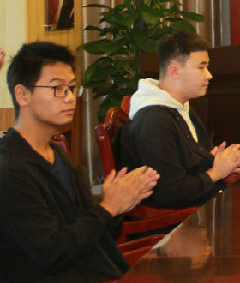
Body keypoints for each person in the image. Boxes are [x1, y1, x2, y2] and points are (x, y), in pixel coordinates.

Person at [0, 41, 158, 283]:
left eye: (72, 88)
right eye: (57, 88)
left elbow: (91, 235)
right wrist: (107, 208)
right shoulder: (11, 168)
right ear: (23, 94)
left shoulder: (58, 156)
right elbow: (49, 253)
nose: (70, 98)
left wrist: (118, 206)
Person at [119, 31, 240, 209]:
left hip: (200, 203)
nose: (209, 75)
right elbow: (170, 192)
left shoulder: (179, 107)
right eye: (201, 67)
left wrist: (214, 159)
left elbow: (186, 161)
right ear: (174, 71)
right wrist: (216, 172)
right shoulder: (154, 121)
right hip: (176, 218)